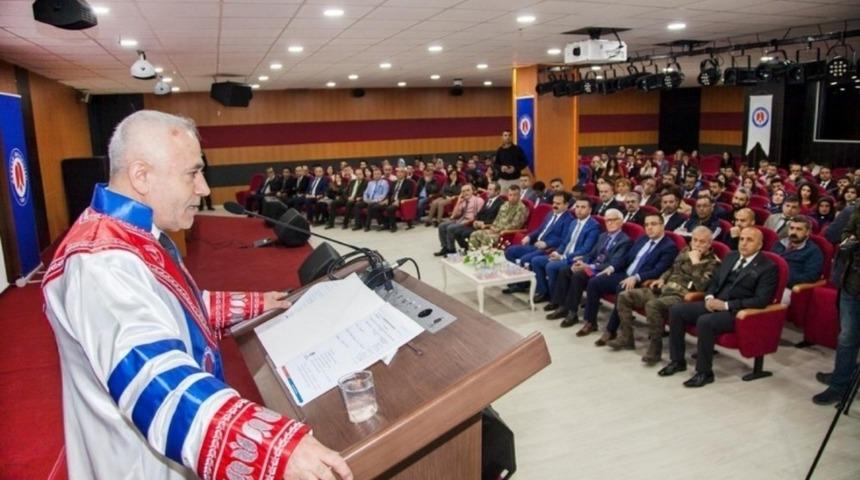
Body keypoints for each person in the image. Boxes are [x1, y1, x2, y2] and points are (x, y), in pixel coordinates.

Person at [41, 111, 352, 480]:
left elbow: (171, 304)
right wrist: (276, 449)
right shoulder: (101, 263)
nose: (203, 189)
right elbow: (156, 382)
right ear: (142, 176)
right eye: (192, 173)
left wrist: (255, 304)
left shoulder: (130, 233)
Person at [660, 227, 778, 388]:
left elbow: (761, 300)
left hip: (737, 311)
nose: (743, 243)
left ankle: (704, 372)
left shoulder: (768, 267)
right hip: (715, 302)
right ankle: (677, 361)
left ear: (760, 245)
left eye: (749, 240)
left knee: (705, 321)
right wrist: (709, 297)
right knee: (677, 310)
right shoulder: (731, 256)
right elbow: (714, 282)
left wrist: (726, 305)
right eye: (742, 239)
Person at [612, 226, 719, 362]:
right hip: (663, 289)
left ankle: (655, 348)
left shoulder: (713, 263)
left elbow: (702, 286)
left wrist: (696, 263)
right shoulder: (685, 250)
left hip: (681, 297)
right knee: (625, 296)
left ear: (710, 244)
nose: (697, 244)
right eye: (694, 240)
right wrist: (662, 278)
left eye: (702, 242)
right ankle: (627, 337)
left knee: (652, 305)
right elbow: (672, 268)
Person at [577, 214, 679, 344]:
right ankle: (590, 322)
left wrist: (636, 277)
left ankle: (611, 330)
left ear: (662, 225)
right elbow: (626, 258)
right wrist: (612, 268)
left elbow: (659, 270)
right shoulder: (642, 239)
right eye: (647, 225)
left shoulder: (669, 246)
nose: (649, 228)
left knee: (622, 289)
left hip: (642, 281)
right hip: (624, 274)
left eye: (653, 224)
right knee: (595, 282)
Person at [544, 209, 631, 326]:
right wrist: (581, 262)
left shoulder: (624, 240)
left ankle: (572, 312)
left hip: (604, 271)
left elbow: (615, 262)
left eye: (613, 220)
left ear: (621, 222)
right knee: (565, 270)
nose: (609, 223)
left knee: (578, 275)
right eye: (607, 220)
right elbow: (591, 254)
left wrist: (588, 266)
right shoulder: (603, 236)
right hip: (592, 266)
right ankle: (562, 306)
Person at [813, 205, 860, 405]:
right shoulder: (855, 210)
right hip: (851, 280)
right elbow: (835, 235)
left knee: (848, 336)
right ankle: (840, 381)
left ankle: (843, 381)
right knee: (847, 336)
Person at [530, 199, 601, 303]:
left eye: (583, 207)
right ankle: (544, 292)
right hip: (563, 255)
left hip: (575, 259)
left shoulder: (594, 226)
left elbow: (586, 249)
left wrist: (563, 257)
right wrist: (557, 252)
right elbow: (565, 242)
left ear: (590, 210)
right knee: (536, 260)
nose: (579, 210)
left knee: (551, 266)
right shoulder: (573, 222)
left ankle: (556, 299)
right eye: (577, 207)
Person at [502, 193, 572, 293]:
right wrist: (529, 236)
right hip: (535, 244)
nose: (554, 205)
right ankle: (521, 281)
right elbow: (540, 229)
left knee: (525, 259)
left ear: (566, 205)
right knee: (510, 251)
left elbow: (563, 239)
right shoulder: (550, 214)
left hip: (548, 249)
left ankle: (526, 286)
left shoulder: (569, 220)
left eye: (558, 203)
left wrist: (546, 243)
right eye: (553, 202)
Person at [468, 185, 528, 250]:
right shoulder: (504, 205)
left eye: (515, 195)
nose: (512, 197)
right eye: (510, 195)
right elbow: (497, 219)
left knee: (487, 238)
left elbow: (515, 226)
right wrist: (492, 227)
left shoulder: (521, 208)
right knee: (474, 234)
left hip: (505, 234)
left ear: (519, 195)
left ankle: (485, 258)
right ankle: (474, 256)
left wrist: (497, 230)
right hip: (495, 230)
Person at [772, 215, 823, 289]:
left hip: (788, 286)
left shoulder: (813, 251)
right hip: (768, 281)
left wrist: (782, 277)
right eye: (791, 228)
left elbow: (811, 276)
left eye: (799, 229)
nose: (794, 232)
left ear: (807, 232)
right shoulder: (779, 243)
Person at [434, 184, 484, 256]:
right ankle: (445, 247)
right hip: (461, 219)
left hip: (470, 222)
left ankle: (451, 250)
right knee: (442, 225)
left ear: (472, 191)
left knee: (450, 228)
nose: (465, 193)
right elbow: (453, 216)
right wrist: (458, 202)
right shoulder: (463, 201)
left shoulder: (478, 200)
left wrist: (467, 221)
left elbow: (479, 216)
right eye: (463, 191)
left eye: (468, 190)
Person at [453, 182, 503, 249]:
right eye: (488, 189)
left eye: (490, 189)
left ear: (497, 191)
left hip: (488, 226)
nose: (487, 191)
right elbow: (479, 213)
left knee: (465, 234)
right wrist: (476, 221)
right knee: (457, 232)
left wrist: (484, 223)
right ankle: (466, 249)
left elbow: (498, 219)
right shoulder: (487, 200)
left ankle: (471, 251)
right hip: (478, 225)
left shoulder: (501, 203)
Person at [370, 167, 415, 232]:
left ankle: (393, 226)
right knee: (375, 207)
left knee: (390, 208)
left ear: (405, 174)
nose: (399, 174)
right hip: (391, 201)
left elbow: (409, 195)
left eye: (401, 172)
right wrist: (386, 199)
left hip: (401, 202)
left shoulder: (409, 182)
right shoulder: (394, 182)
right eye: (398, 172)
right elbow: (389, 193)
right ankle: (385, 224)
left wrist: (399, 200)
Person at [351, 166, 389, 231]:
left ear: (381, 175)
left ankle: (367, 226)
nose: (376, 175)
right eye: (375, 174)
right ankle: (358, 224)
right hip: (369, 201)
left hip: (379, 202)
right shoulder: (370, 183)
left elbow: (384, 195)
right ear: (373, 175)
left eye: (378, 174)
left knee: (370, 206)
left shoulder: (384, 183)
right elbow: (365, 193)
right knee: (357, 204)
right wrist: (366, 200)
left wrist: (373, 201)